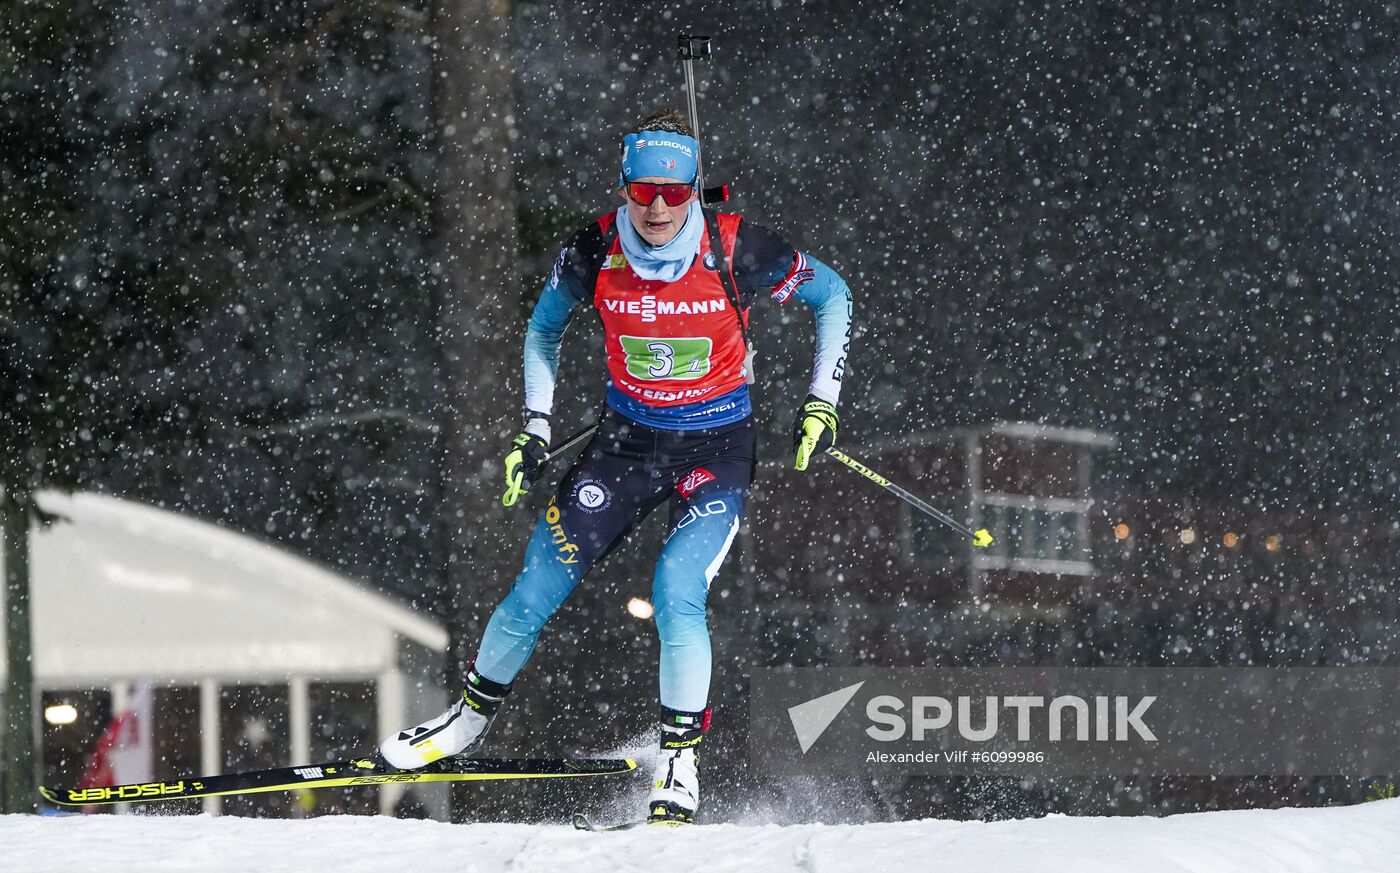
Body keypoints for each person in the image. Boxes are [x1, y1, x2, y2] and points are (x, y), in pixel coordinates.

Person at [380, 108, 853, 825]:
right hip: (625, 446)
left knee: (676, 589)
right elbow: (543, 328)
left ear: (696, 188)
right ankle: (467, 722)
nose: (658, 207)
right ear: (624, 186)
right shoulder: (593, 250)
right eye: (642, 191)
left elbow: (833, 294)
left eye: (673, 191)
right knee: (534, 586)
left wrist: (822, 402)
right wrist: (533, 427)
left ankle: (680, 762)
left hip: (715, 451)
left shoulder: (736, 249)